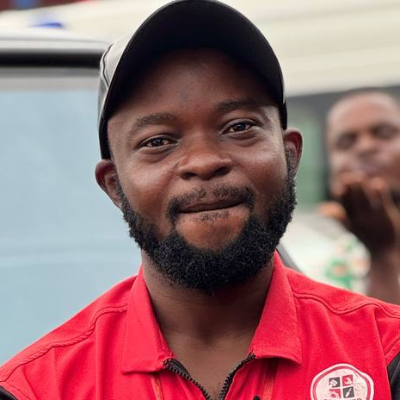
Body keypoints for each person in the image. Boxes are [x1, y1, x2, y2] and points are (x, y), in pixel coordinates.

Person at [0, 1, 399, 399]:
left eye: (239, 126)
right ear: (114, 185)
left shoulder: (386, 354)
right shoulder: (36, 388)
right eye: (158, 141)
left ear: (289, 156)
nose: (204, 161)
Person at [320, 90, 400, 304]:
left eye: (384, 133)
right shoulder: (321, 269)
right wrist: (380, 254)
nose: (365, 147)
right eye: (346, 142)